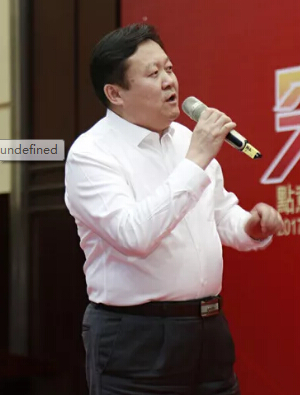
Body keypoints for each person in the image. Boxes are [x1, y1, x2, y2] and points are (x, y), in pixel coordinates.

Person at [64, 23, 283, 395]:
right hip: (136, 336)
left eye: (169, 68)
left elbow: (220, 213)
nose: (169, 81)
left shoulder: (186, 139)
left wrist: (250, 226)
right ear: (115, 93)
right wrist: (195, 160)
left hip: (208, 328)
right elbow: (133, 236)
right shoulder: (91, 154)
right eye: (153, 74)